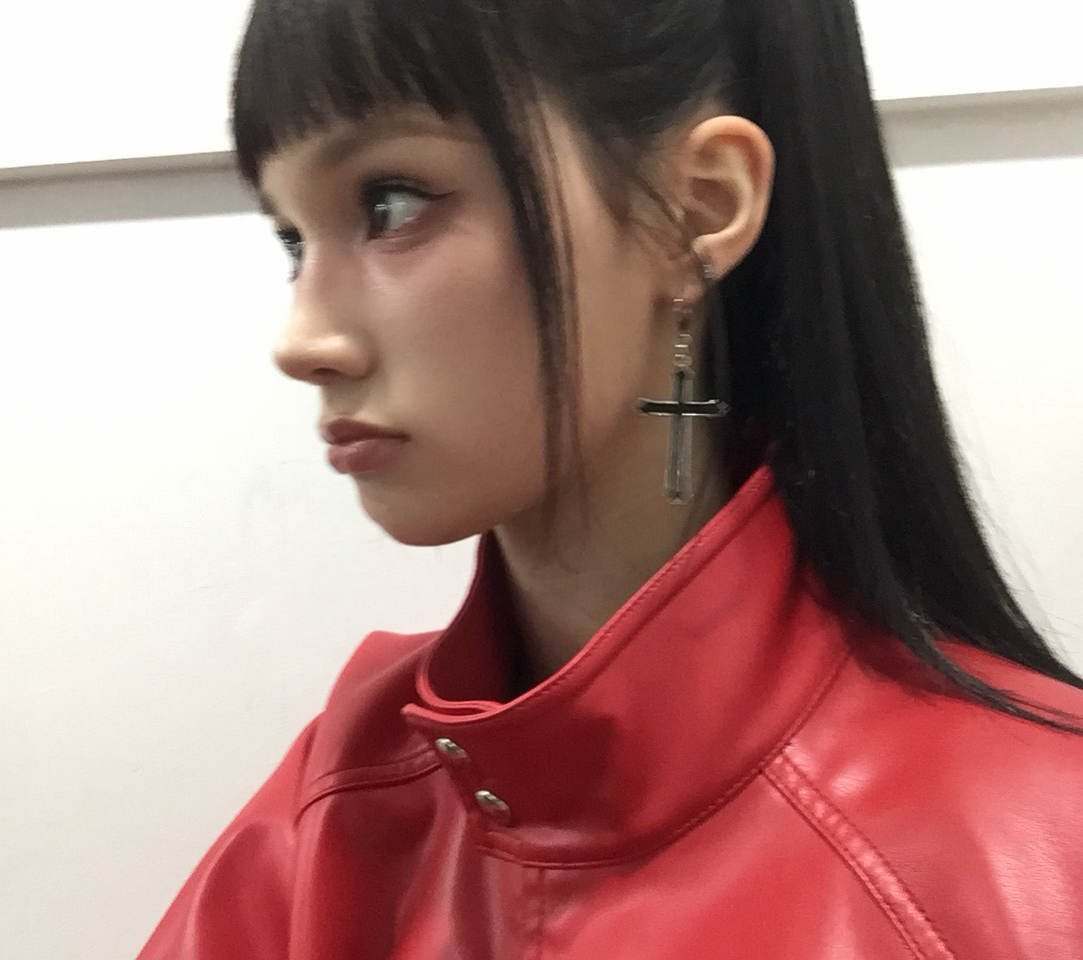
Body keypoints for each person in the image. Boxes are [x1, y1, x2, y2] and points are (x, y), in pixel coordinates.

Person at [139, 0, 1083, 956]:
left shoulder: (1036, 857)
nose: (302, 341)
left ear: (698, 208)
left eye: (392, 203)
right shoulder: (329, 816)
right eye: (293, 240)